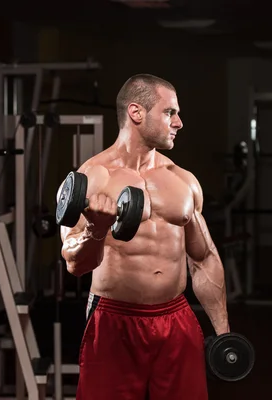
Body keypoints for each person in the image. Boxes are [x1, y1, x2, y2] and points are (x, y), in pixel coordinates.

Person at [59, 74, 230, 400]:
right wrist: (96, 229)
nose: (179, 122)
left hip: (177, 317)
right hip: (115, 320)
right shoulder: (92, 177)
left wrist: (222, 333)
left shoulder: (183, 180)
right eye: (170, 113)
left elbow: (203, 257)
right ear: (136, 113)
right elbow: (74, 264)